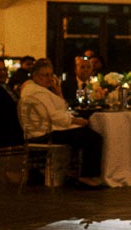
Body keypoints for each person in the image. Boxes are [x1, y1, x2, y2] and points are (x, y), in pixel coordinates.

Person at [17, 58, 106, 187]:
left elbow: (59, 109)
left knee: (83, 134)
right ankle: (86, 177)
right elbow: (55, 116)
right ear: (35, 76)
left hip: (37, 132)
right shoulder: (39, 92)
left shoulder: (32, 89)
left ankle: (72, 172)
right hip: (45, 134)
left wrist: (57, 90)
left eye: (51, 74)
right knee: (93, 137)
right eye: (45, 75)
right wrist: (78, 121)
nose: (49, 78)